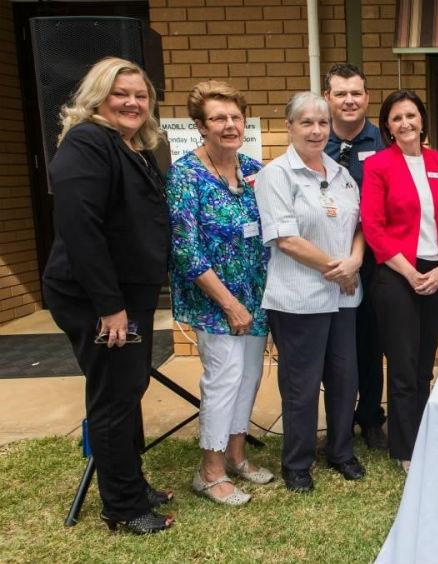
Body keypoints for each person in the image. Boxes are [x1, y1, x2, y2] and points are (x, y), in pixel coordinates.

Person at [42, 57, 173, 533]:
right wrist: (110, 307)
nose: (133, 103)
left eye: (141, 95)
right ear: (98, 97)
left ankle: (132, 484)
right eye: (122, 94)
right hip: (98, 299)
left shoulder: (129, 146)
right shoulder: (87, 143)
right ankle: (123, 506)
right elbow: (81, 230)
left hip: (126, 296)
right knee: (114, 397)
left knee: (128, 387)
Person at [166, 80, 272, 506]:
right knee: (223, 380)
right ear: (200, 126)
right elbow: (185, 249)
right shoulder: (185, 175)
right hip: (216, 302)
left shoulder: (253, 170)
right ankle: (209, 472)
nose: (229, 125)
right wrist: (228, 303)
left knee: (249, 376)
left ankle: (237, 455)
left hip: (255, 294)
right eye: (218, 118)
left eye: (235, 117)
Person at [255, 92, 366, 493]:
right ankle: (297, 462)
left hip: (345, 295)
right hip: (299, 298)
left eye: (323, 122)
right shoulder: (276, 175)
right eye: (307, 122)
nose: (317, 130)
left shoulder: (341, 173)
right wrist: (336, 270)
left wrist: (354, 262)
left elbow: (358, 225)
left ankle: (340, 451)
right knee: (301, 385)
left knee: (344, 378)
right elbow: (285, 238)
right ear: (290, 126)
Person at [361, 90, 438, 472]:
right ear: (387, 126)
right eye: (397, 118)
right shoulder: (379, 165)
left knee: (424, 366)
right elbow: (374, 226)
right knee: (402, 367)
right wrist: (409, 272)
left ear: (422, 120)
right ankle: (405, 450)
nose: (405, 123)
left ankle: (426, 436)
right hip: (397, 275)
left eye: (411, 116)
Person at [322, 63, 388, 450]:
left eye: (356, 93)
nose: (349, 100)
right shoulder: (314, 140)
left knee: (369, 342)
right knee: (332, 347)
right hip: (324, 264)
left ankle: (371, 418)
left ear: (366, 97)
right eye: (341, 93)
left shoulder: (383, 142)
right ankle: (338, 420)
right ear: (328, 97)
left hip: (374, 263)